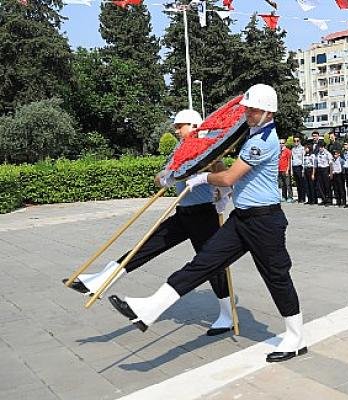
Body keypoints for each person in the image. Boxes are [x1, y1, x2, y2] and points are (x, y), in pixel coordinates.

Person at [108, 84, 306, 363]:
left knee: (276, 276)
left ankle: (296, 337)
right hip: (243, 218)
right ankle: (150, 308)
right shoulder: (250, 136)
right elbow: (226, 173)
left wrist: (202, 179)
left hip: (265, 220)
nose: (247, 113)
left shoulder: (263, 141)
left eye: (254, 109)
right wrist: (210, 160)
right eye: (247, 108)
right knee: (204, 262)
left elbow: (228, 178)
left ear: (268, 112)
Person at [64, 109, 234, 336]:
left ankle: (227, 315)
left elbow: (224, 176)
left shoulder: (208, 147)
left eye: (179, 126)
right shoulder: (179, 148)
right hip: (183, 213)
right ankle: (101, 281)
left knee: (212, 265)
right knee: (145, 246)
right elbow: (160, 176)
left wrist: (218, 192)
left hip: (204, 215)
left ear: (193, 126)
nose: (176, 130)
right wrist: (166, 177)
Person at [314, 141, 332, 206]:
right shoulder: (318, 154)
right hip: (320, 170)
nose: (320, 148)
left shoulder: (327, 153)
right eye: (319, 147)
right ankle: (324, 200)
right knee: (321, 186)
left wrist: (330, 173)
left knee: (327, 186)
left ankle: (329, 200)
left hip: (326, 169)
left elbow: (330, 164)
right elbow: (315, 164)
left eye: (321, 147)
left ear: (323, 147)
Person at [290, 134, 305, 203]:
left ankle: (303, 198)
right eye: (294, 141)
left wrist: (303, 169)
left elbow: (303, 159)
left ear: (300, 141)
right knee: (297, 184)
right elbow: (291, 160)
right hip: (294, 167)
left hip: (300, 167)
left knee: (301, 183)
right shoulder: (293, 149)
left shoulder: (302, 149)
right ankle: (299, 198)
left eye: (297, 141)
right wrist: (292, 170)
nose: (296, 142)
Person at [279, 138, 293, 203]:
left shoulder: (288, 151)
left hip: (285, 170)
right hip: (280, 170)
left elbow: (289, 161)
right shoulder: (278, 151)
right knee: (282, 185)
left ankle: (290, 197)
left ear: (285, 143)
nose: (281, 144)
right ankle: (284, 197)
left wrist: (288, 170)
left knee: (288, 184)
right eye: (280, 143)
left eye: (282, 143)